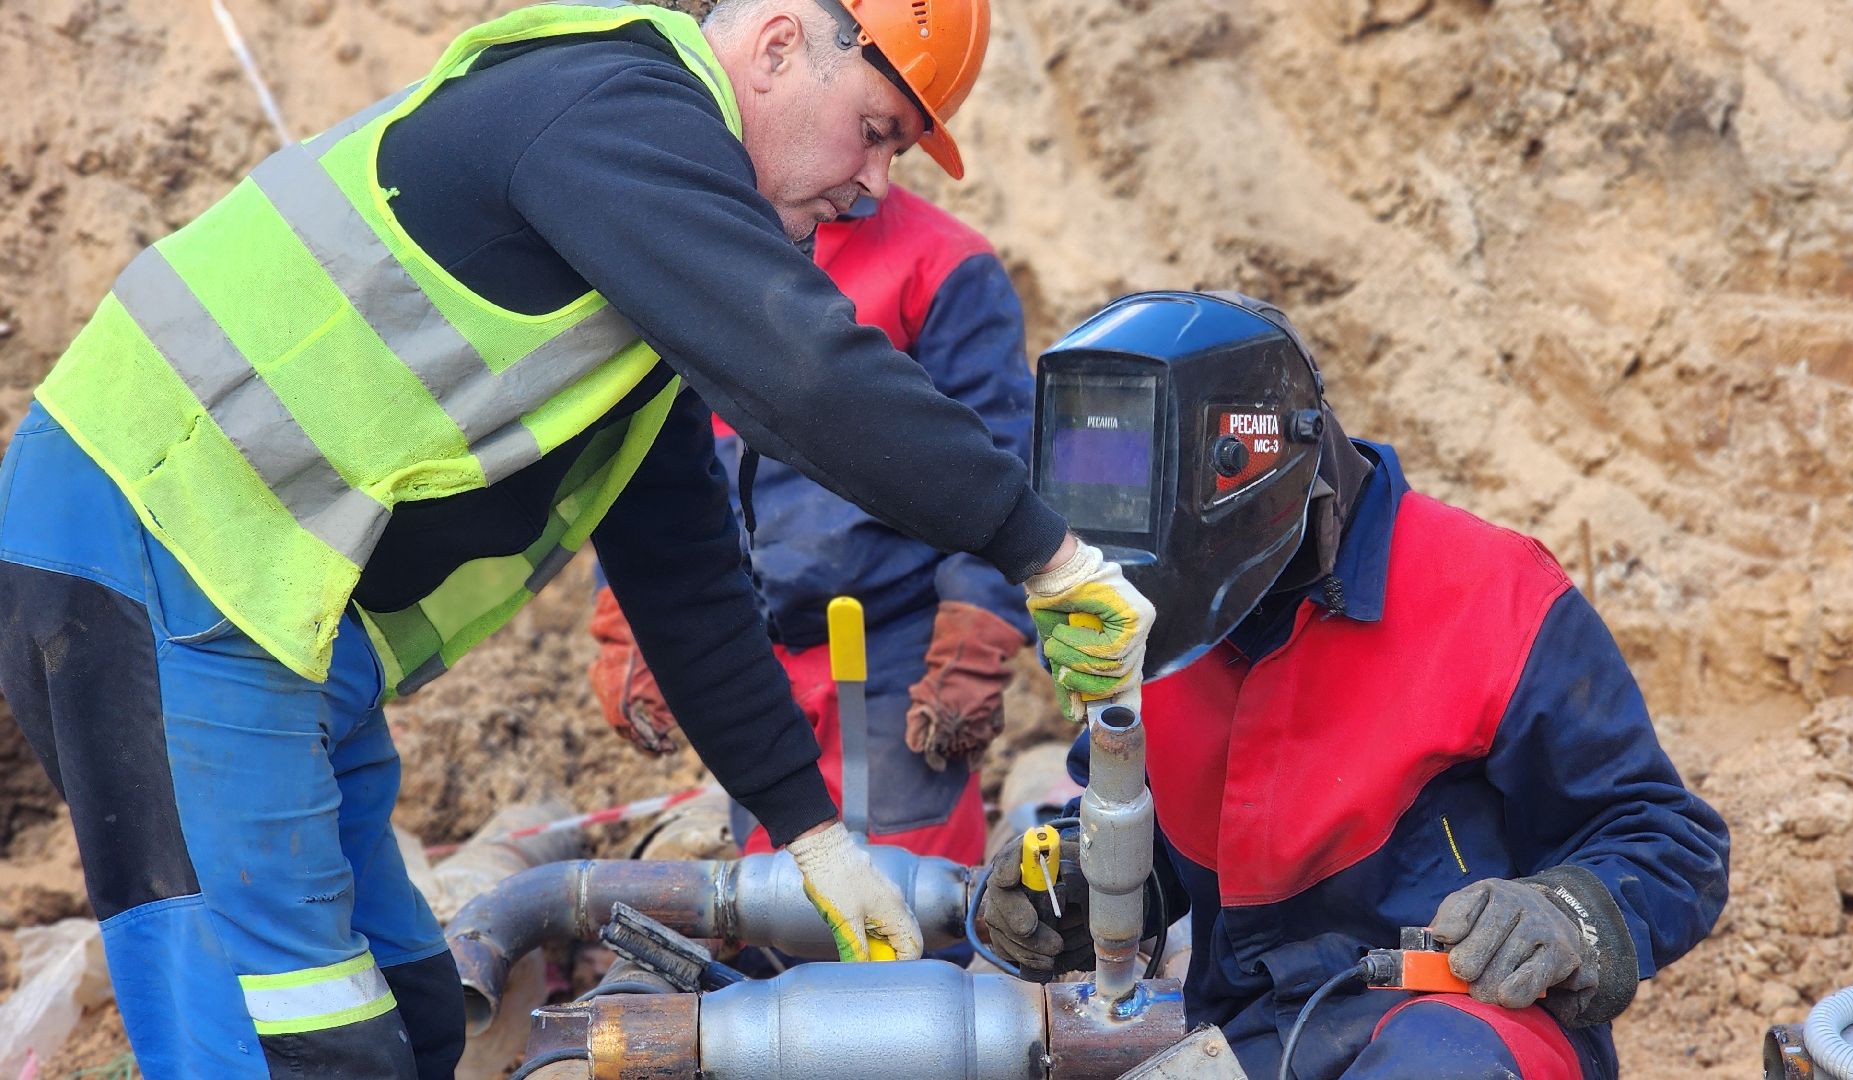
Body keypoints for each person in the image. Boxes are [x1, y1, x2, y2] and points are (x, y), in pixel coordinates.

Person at [0, 2, 1156, 1077]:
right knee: (283, 1034)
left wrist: (810, 834)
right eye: (872, 132)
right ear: (776, 52)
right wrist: (1046, 554)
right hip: (157, 552)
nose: (872, 183)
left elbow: (685, 569)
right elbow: (805, 375)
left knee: (410, 1004)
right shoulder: (614, 108)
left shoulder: (631, 251)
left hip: (283, 611)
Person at [978, 291, 1729, 1079]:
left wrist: (1569, 913)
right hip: (1250, 1042)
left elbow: (1672, 841)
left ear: (1260, 464)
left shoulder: (1492, 596)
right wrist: (1073, 883)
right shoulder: (1160, 623)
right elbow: (1147, 829)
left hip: (1464, 1032)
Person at [589, 182, 1033, 868]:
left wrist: (977, 633)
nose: (876, 171)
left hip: (898, 655)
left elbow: (998, 466)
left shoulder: (943, 263)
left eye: (896, 141)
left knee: (910, 909)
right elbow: (643, 455)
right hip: (746, 650)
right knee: (773, 903)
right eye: (874, 132)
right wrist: (630, 610)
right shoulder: (697, 251)